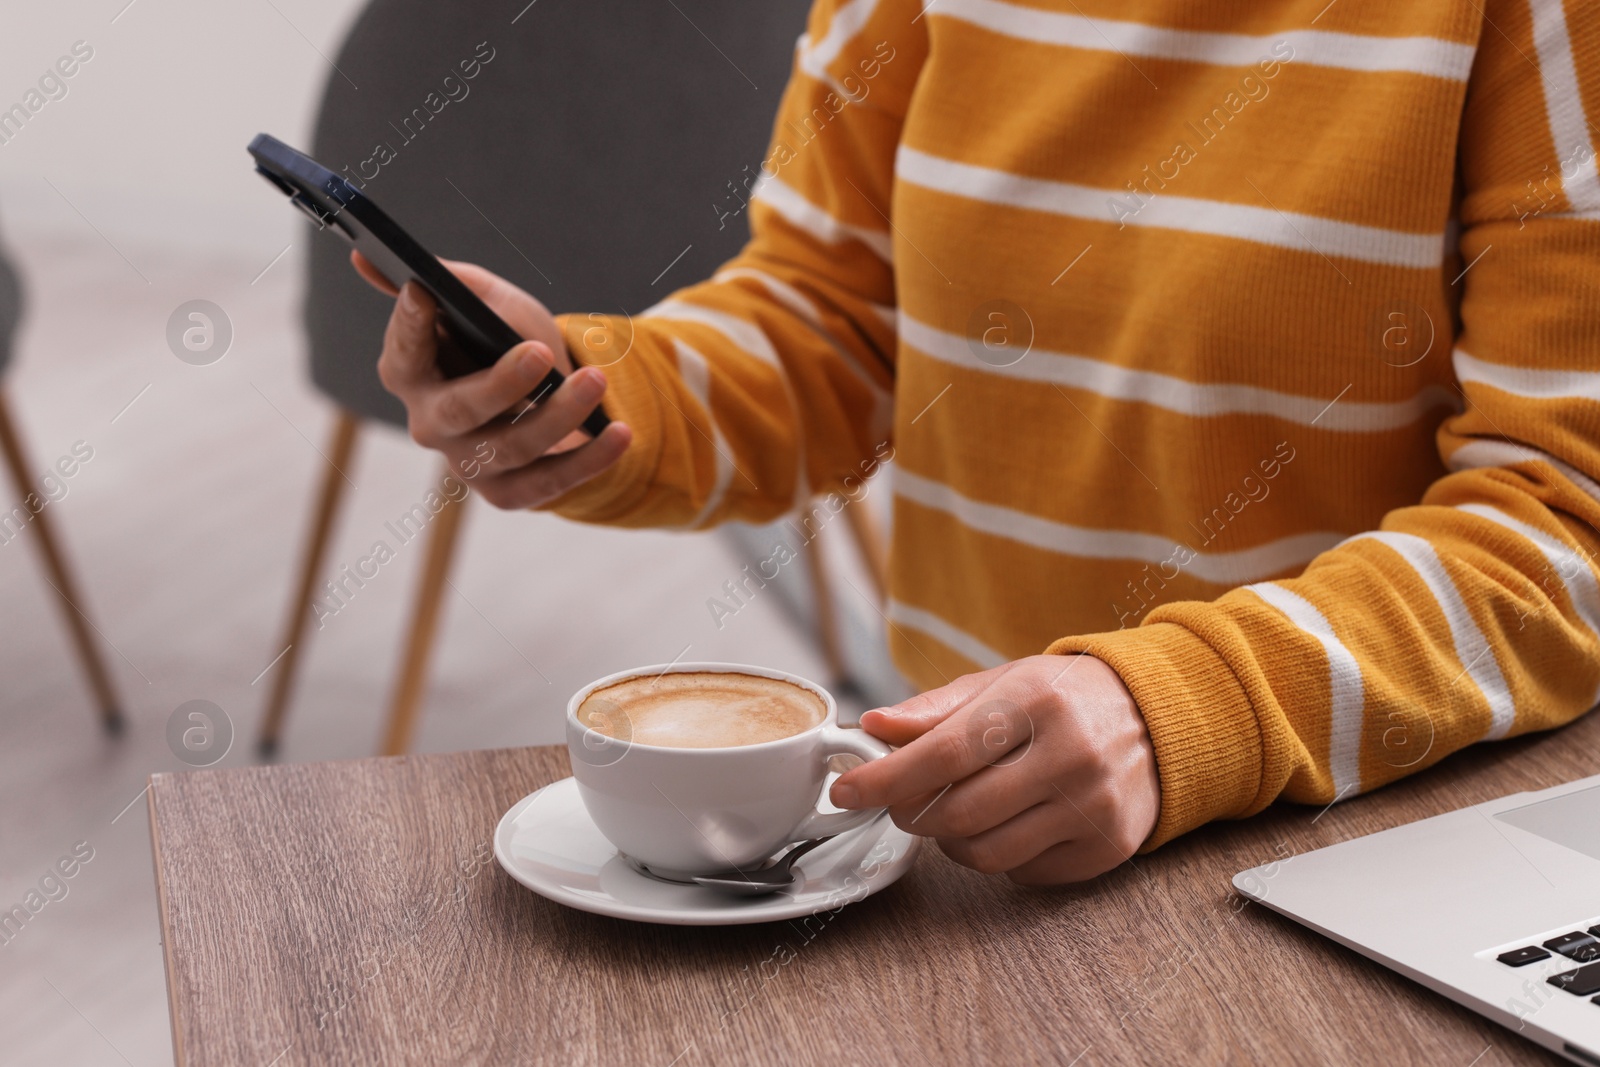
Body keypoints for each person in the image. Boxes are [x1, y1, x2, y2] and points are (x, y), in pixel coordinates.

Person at [360, 0, 1600, 885]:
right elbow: (833, 320)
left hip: (1373, 845)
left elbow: (1564, 523)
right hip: (983, 832)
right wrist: (592, 399)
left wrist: (1179, 705)